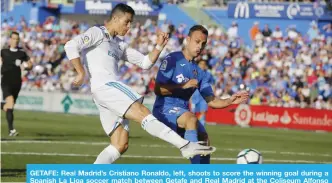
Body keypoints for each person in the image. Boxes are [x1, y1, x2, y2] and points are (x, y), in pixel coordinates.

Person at [64, 3, 216, 164]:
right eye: (127, 22)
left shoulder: (119, 44)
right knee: (142, 111)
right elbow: (71, 45)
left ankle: (91, 177)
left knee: (120, 144)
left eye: (131, 23)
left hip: (102, 94)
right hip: (106, 86)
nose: (129, 26)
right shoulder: (97, 32)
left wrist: (158, 47)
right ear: (115, 18)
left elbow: (145, 63)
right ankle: (185, 146)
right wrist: (80, 72)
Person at [152, 25, 249, 164]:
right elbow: (158, 89)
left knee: (204, 140)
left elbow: (211, 101)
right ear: (188, 40)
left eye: (203, 44)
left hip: (182, 111)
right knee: (192, 120)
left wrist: (229, 101)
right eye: (197, 42)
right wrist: (183, 86)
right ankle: (191, 158)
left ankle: (201, 175)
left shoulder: (199, 72)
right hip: (164, 108)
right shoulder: (173, 59)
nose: (200, 47)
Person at [1, 31, 33, 136]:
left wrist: (28, 67)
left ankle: (11, 130)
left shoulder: (22, 53)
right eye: (13, 38)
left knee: (9, 107)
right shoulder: (3, 51)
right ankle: (11, 130)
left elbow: (30, 64)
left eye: (17, 39)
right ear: (10, 39)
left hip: (17, 82)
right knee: (9, 102)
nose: (15, 41)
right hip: (6, 80)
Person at [190, 60, 215, 127]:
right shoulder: (194, 73)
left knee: (203, 112)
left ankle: (201, 128)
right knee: (193, 113)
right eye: (201, 64)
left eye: (204, 64)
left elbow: (212, 84)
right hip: (194, 96)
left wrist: (213, 95)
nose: (202, 65)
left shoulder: (208, 74)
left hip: (204, 97)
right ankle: (193, 127)